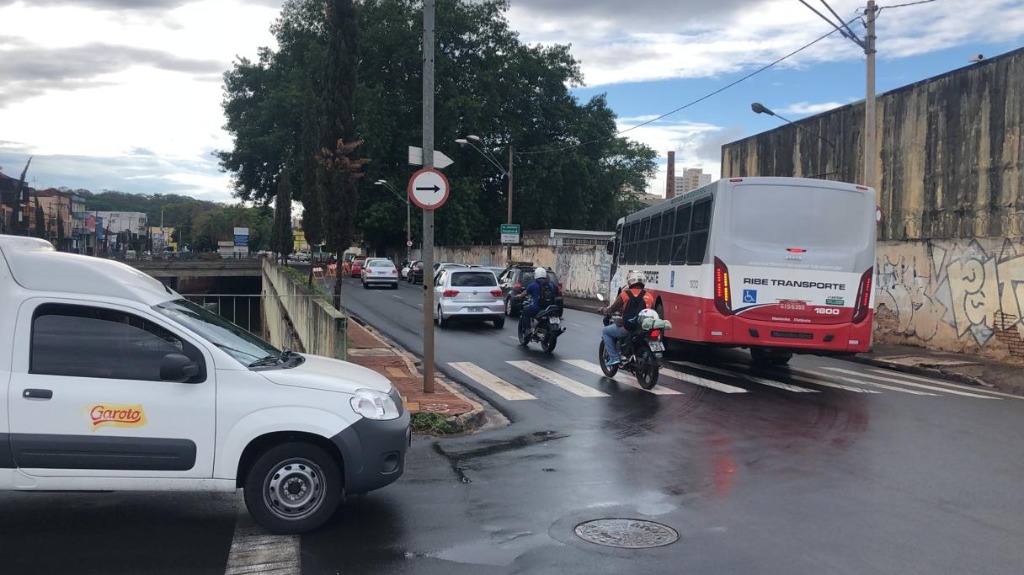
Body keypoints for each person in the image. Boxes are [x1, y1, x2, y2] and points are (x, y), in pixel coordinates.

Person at [599, 270, 656, 366]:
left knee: (606, 331)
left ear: (630, 281)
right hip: (644, 328)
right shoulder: (649, 296)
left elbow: (613, 308)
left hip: (629, 327)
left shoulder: (625, 294)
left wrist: (604, 310)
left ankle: (613, 357)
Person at [515, 266, 556, 336]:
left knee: (525, 312)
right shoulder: (551, 284)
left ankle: (527, 330)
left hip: (537, 308)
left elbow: (525, 293)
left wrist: (519, 296)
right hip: (549, 308)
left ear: (536, 275)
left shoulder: (534, 285)